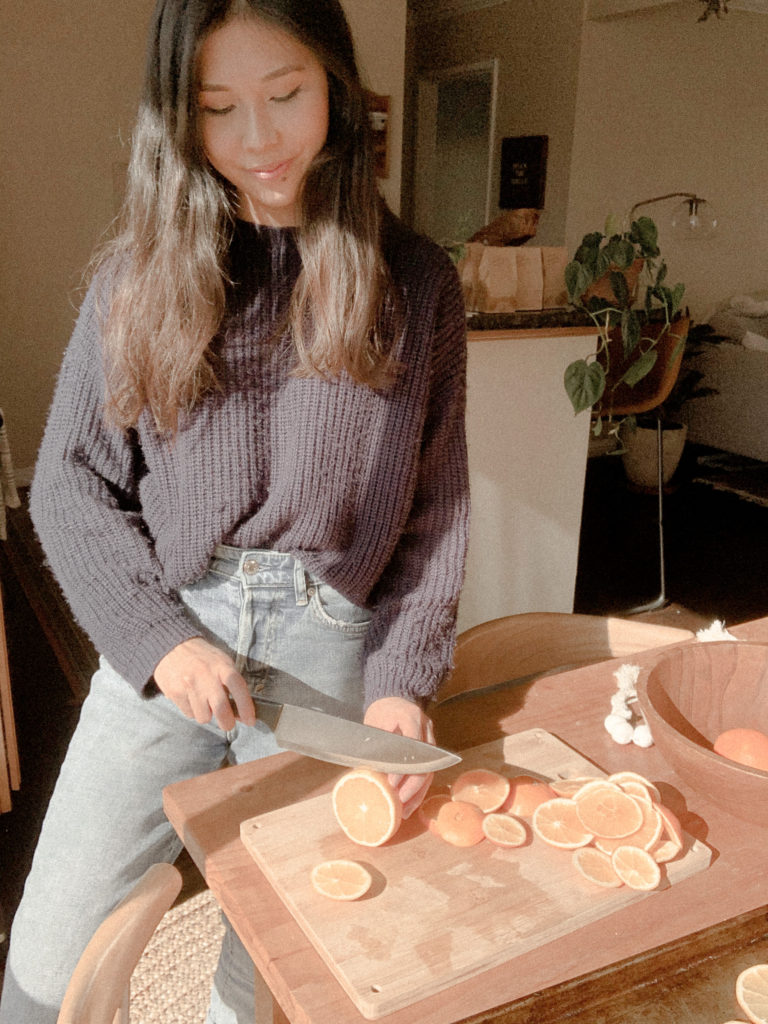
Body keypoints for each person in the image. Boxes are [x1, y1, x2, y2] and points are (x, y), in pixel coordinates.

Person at [0, 0, 469, 1020]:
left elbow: (436, 512)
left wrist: (401, 680)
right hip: (174, 639)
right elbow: (71, 481)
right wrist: (158, 639)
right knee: (43, 963)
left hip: (328, 643)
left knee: (285, 956)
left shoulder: (418, 284)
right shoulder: (135, 278)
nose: (258, 139)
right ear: (179, 117)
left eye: (286, 94)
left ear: (338, 88)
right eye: (219, 107)